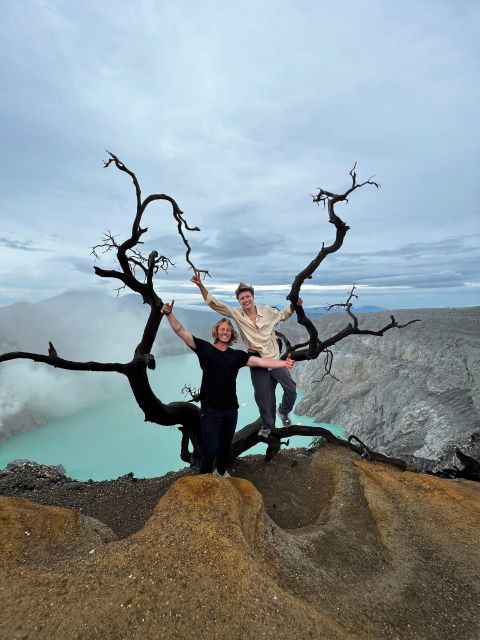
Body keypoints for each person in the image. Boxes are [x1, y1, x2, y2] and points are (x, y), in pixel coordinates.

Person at [161, 301, 294, 477]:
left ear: (231, 335)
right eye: (222, 329)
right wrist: (169, 314)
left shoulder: (236, 356)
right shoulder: (205, 349)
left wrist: (282, 363)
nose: (225, 332)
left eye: (228, 330)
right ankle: (203, 481)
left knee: (224, 448)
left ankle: (221, 473)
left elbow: (260, 361)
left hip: (231, 410)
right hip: (211, 411)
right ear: (216, 332)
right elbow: (181, 332)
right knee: (210, 450)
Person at [191, 272, 301, 437]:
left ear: (253, 297)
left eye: (248, 297)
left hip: (272, 358)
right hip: (256, 360)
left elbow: (282, 315)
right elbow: (214, 303)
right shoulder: (237, 314)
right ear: (239, 301)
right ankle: (267, 425)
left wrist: (295, 305)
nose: (246, 300)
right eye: (242, 298)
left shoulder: (267, 312)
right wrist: (201, 286)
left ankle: (283, 411)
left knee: (291, 389)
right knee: (262, 398)